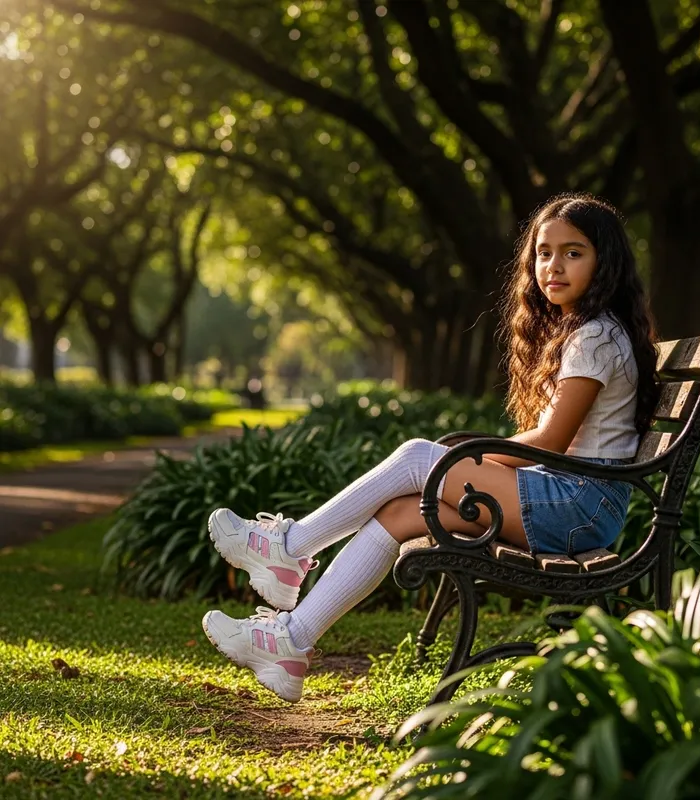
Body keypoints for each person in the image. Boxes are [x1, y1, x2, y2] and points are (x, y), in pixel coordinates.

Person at [200, 192, 659, 703]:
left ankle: (290, 548)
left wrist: (466, 459)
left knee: (422, 457)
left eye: (574, 253)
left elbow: (551, 441)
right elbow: (554, 445)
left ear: (605, 261)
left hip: (578, 506)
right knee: (399, 513)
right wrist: (470, 460)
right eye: (544, 252)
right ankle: (291, 643)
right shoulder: (584, 331)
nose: (554, 265)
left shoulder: (595, 336)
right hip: (566, 497)